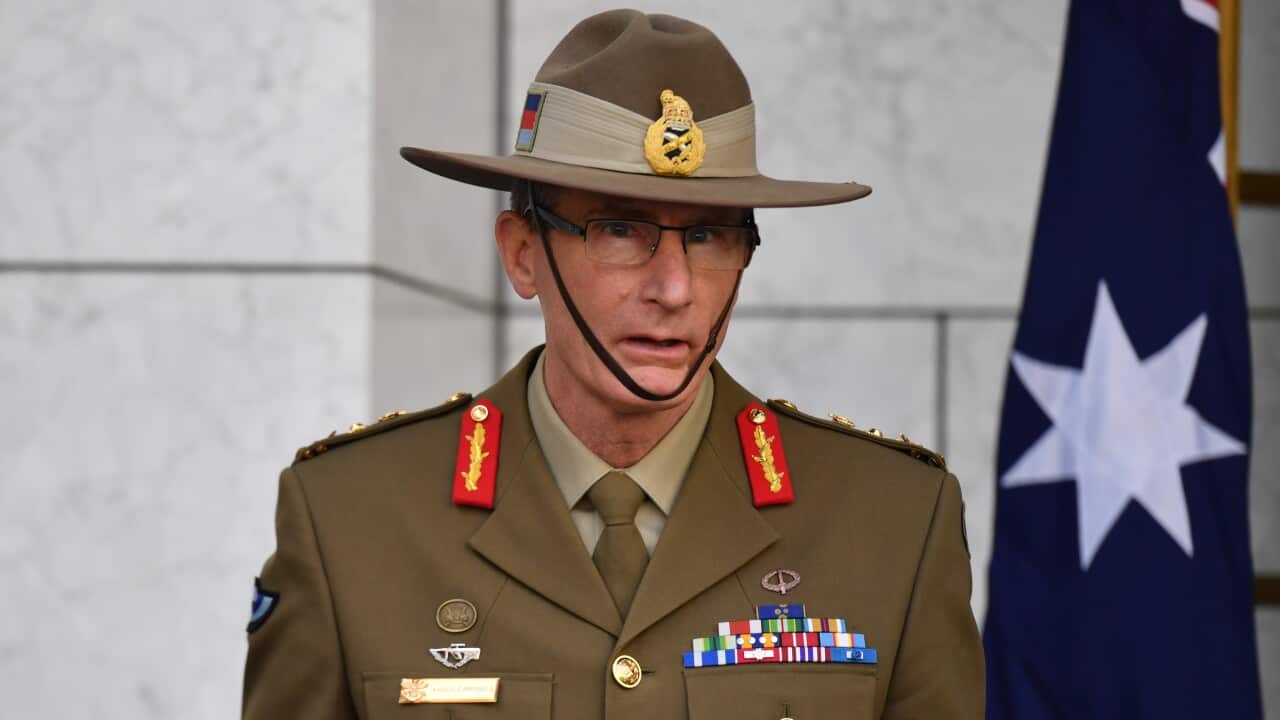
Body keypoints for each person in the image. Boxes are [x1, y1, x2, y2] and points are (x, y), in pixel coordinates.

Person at [243, 9, 984, 719]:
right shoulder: (350, 521)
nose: (674, 289)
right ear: (523, 254)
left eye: (709, 237)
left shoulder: (893, 523)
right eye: (620, 228)